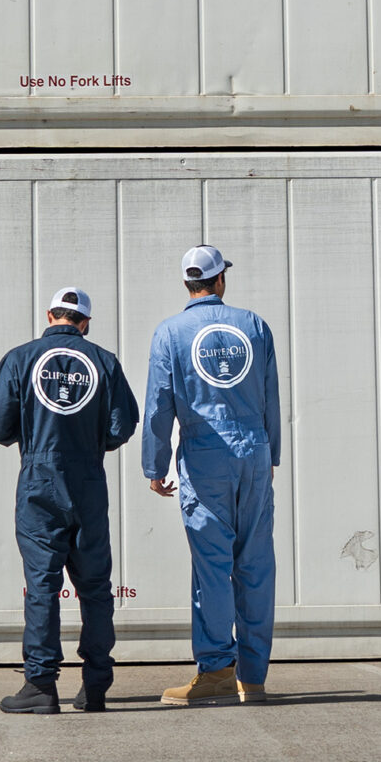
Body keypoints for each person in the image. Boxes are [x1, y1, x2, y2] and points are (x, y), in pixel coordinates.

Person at [0, 287, 139, 715]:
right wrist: (87, 443)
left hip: (39, 483)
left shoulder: (21, 358)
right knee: (95, 588)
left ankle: (40, 686)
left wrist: (33, 437)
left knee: (42, 587)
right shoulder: (104, 361)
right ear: (85, 323)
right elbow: (121, 427)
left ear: (50, 315)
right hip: (88, 480)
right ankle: (96, 686)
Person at [142, 245, 282, 705]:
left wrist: (154, 465)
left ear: (188, 284)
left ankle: (217, 670)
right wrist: (272, 454)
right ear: (220, 280)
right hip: (254, 451)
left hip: (205, 455)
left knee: (212, 568)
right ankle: (254, 677)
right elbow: (270, 396)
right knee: (256, 565)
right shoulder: (254, 326)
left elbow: (160, 405)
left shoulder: (170, 333)